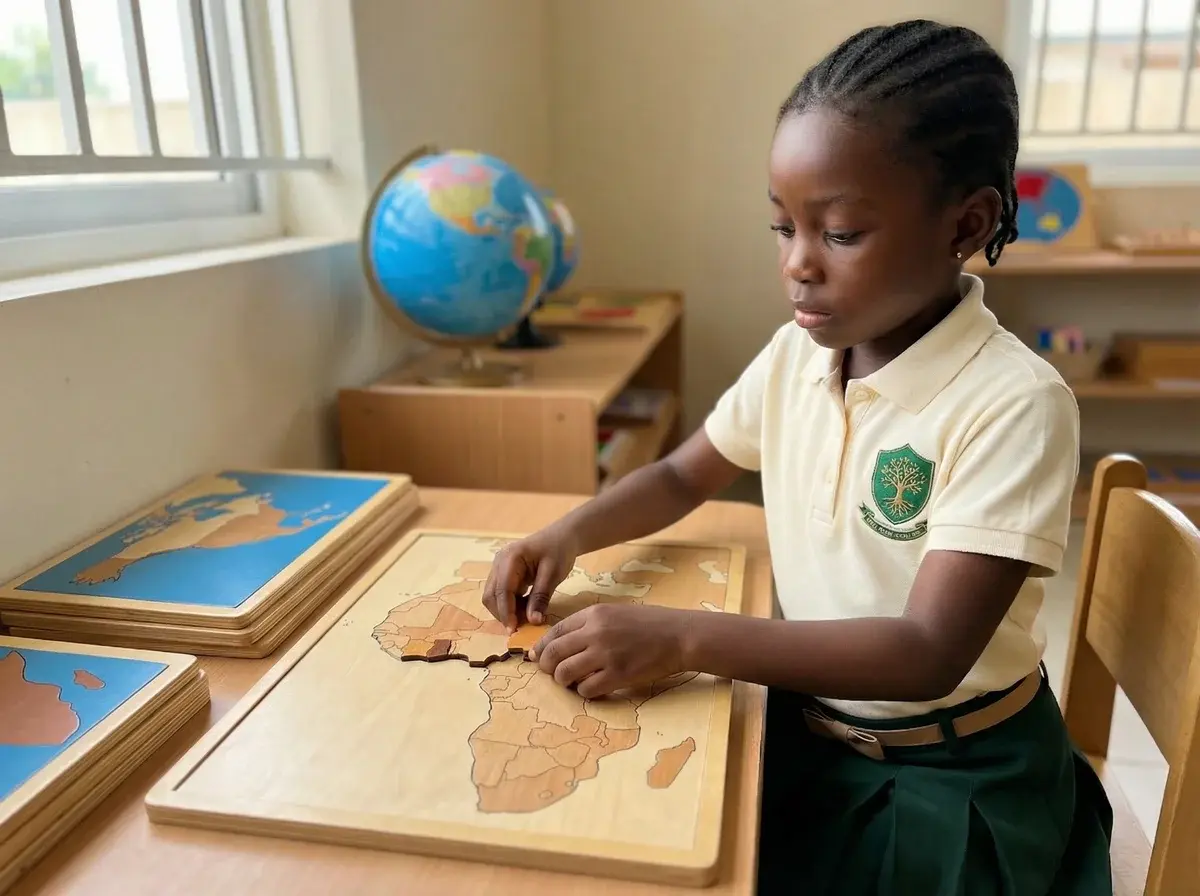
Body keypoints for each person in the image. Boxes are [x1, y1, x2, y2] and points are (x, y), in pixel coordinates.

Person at [481, 19, 1112, 895]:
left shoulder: (1016, 404)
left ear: (966, 224)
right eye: (783, 228)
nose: (797, 267)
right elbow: (681, 473)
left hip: (952, 777)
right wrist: (569, 532)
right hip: (814, 732)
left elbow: (927, 652)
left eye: (842, 234)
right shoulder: (798, 356)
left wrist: (686, 637)